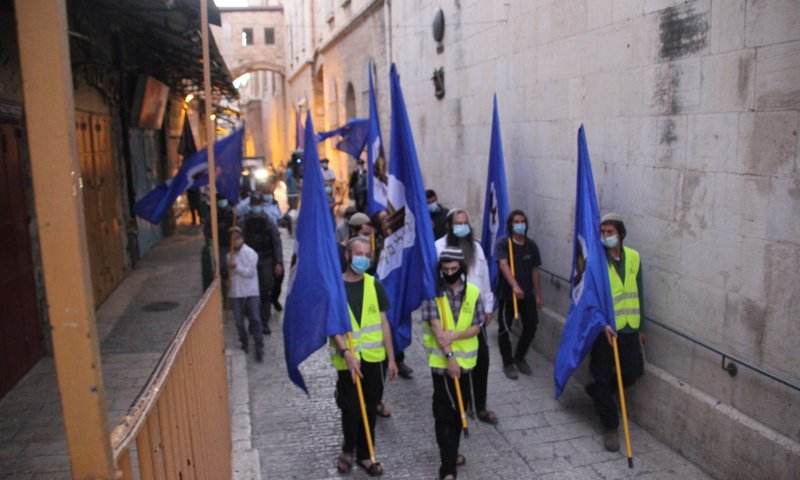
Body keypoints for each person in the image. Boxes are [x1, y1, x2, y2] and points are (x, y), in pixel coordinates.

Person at [330, 236, 397, 477]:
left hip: (373, 359)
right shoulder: (336, 287)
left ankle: (366, 455)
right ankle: (347, 450)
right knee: (351, 408)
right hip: (347, 361)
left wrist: (391, 358)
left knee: (369, 407)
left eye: (367, 255)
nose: (363, 258)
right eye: (358, 253)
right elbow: (333, 325)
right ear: (348, 256)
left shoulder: (375, 285)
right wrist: (345, 352)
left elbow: (384, 323)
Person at [422, 247, 484, 480]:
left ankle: (452, 451)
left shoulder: (473, 292)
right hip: (442, 364)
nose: (449, 273)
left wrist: (454, 337)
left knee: (459, 411)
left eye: (454, 269)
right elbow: (437, 329)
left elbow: (477, 326)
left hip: (466, 366)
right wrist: (450, 358)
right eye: (445, 269)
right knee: (443, 414)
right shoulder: (433, 294)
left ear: (462, 268)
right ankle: (447, 469)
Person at [586, 213, 646, 452]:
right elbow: (591, 298)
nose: (605, 236)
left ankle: (599, 394)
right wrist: (602, 323)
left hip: (629, 327)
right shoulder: (597, 262)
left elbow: (639, 290)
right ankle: (610, 425)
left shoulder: (634, 257)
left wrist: (642, 326)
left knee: (633, 371)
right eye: (602, 233)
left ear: (620, 233)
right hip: (605, 329)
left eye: (609, 232)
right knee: (600, 373)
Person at [434, 209, 497, 425]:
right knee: (455, 364)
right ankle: (462, 403)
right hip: (449, 317)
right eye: (458, 223)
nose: (462, 226)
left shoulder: (476, 247)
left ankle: (480, 405)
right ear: (449, 226)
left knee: (482, 361)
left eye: (465, 223)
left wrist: (488, 306)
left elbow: (484, 277)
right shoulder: (439, 247)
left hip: (474, 315)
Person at [495, 210, 544, 380]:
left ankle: (520, 356)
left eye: (523, 221)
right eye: (516, 221)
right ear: (510, 224)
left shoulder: (531, 246)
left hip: (528, 294)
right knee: (505, 330)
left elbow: (535, 271)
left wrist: (538, 295)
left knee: (531, 325)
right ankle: (508, 363)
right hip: (508, 295)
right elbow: (503, 264)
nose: (520, 224)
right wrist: (514, 286)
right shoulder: (503, 244)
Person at [241, 197, 283, 334]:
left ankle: (264, 322)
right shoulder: (244, 221)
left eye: (258, 204)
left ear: (261, 205)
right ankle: (253, 322)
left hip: (265, 260)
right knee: (249, 293)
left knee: (265, 292)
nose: (256, 207)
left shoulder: (268, 221)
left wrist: (278, 261)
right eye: (254, 204)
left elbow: (276, 241)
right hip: (248, 262)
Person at [227, 227, 264, 361]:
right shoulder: (229, 255)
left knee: (254, 317)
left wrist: (236, 267)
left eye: (237, 237)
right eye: (232, 238)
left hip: (250, 291)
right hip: (236, 292)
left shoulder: (250, 253)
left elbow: (250, 273)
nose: (235, 240)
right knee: (238, 320)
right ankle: (244, 340)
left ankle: (259, 344)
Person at [202, 193, 234, 296]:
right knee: (224, 270)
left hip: (233, 245)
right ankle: (225, 294)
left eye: (224, 199)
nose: (222, 202)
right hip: (221, 245)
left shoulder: (232, 213)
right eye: (220, 200)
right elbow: (207, 230)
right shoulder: (213, 214)